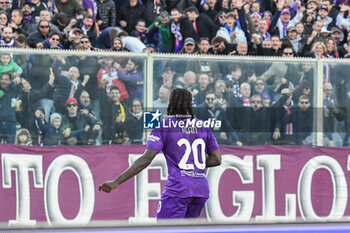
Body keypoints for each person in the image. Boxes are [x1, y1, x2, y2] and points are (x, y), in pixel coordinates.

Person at [99, 88, 222, 219]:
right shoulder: (203, 126)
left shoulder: (164, 126)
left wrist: (116, 182)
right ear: (189, 105)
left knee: (164, 229)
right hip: (200, 190)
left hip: (178, 190)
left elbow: (146, 159)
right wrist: (194, 165)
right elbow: (216, 159)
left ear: (171, 103)